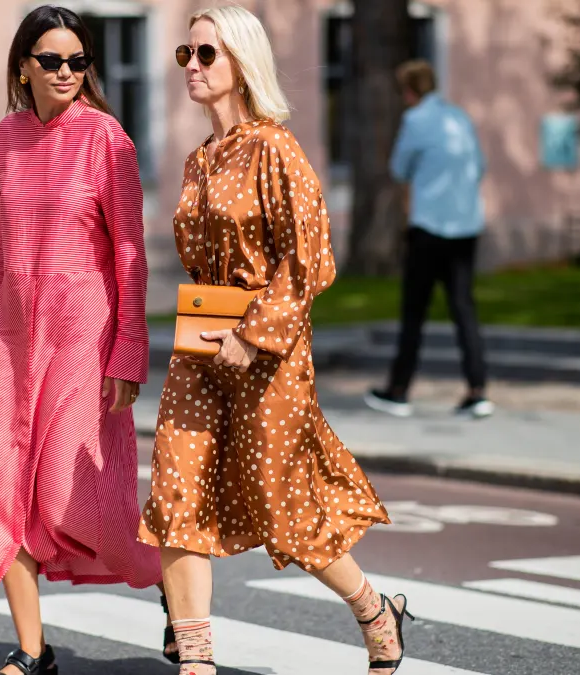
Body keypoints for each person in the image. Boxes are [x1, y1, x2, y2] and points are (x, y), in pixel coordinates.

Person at [138, 6, 413, 675]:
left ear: (241, 63)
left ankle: (377, 610)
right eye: (187, 55)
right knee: (177, 496)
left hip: (269, 357)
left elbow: (310, 256)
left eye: (207, 54)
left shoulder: (274, 148)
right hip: (200, 349)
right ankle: (196, 662)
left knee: (287, 510)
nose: (193, 67)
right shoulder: (199, 160)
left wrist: (257, 333)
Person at [0, 6, 169, 674]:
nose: (64, 73)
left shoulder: (107, 139)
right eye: (50, 60)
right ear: (24, 65)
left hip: (86, 328)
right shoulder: (5, 138)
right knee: (3, 491)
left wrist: (129, 352)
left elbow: (131, 256)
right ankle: (32, 650)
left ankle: (175, 577)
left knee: (70, 498)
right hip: (16, 336)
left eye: (77, 61)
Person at [364, 60, 492, 420]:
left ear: (409, 91)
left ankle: (399, 390)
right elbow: (479, 167)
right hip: (465, 226)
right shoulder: (460, 118)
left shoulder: (415, 120)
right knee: (464, 308)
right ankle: (477, 390)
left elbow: (398, 168)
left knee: (414, 311)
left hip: (429, 227)